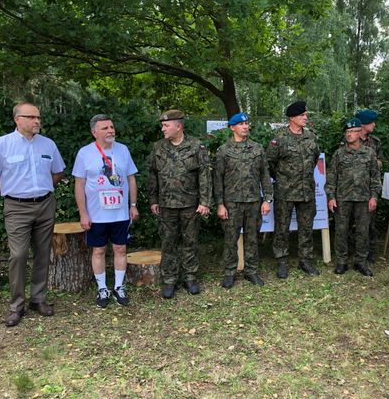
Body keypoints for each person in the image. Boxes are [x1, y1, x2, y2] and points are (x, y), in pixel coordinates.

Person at [0, 102, 66, 327]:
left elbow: (58, 173)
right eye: (31, 117)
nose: (37, 121)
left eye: (38, 117)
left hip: (45, 205)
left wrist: (42, 191)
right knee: (18, 254)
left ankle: (38, 299)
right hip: (17, 208)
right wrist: (13, 193)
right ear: (17, 119)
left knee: (43, 253)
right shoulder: (1, 145)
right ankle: (16, 306)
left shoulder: (48, 144)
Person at [72, 114, 139, 308]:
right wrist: (83, 213)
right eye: (105, 128)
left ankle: (119, 287)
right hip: (96, 214)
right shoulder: (85, 153)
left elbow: (131, 179)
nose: (110, 130)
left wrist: (133, 205)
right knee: (99, 250)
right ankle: (102, 288)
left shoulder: (123, 150)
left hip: (120, 213)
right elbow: (79, 184)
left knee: (121, 248)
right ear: (94, 132)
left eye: (111, 127)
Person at [147, 110, 211, 299]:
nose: (163, 129)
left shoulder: (196, 146)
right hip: (166, 205)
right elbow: (152, 175)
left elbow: (204, 175)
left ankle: (190, 277)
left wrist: (205, 201)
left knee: (190, 241)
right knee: (168, 242)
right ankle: (169, 280)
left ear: (179, 126)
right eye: (163, 125)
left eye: (166, 125)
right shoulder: (158, 147)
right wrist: (153, 200)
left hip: (190, 204)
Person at [213, 112, 273, 288]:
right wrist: (220, 204)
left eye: (246, 123)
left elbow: (265, 176)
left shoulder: (257, 149)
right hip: (231, 203)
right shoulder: (224, 150)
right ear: (232, 127)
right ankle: (230, 273)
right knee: (230, 239)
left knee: (252, 238)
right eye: (241, 124)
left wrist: (267, 199)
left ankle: (251, 271)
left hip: (253, 201)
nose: (245, 126)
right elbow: (217, 179)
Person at [266, 100, 320, 279]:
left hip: (306, 190)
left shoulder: (311, 137)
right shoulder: (279, 138)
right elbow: (270, 163)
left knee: (306, 227)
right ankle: (282, 261)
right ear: (292, 118)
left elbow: (314, 159)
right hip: (285, 191)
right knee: (282, 227)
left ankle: (305, 260)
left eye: (305, 114)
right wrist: (284, 179)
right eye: (302, 115)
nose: (305, 117)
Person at [325, 118, 381, 277]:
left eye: (352, 131)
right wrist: (331, 197)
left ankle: (360, 262)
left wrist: (374, 197)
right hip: (343, 198)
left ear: (359, 133)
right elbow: (331, 177)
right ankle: (341, 261)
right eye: (347, 132)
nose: (349, 135)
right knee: (341, 231)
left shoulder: (369, 153)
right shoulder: (339, 154)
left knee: (363, 231)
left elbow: (375, 177)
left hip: (363, 199)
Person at [355, 109, 383, 264]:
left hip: (369, 187)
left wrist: (369, 162)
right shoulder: (348, 138)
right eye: (371, 122)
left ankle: (370, 251)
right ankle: (354, 251)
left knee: (370, 223)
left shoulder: (375, 142)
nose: (374, 125)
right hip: (351, 187)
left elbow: (380, 162)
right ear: (363, 124)